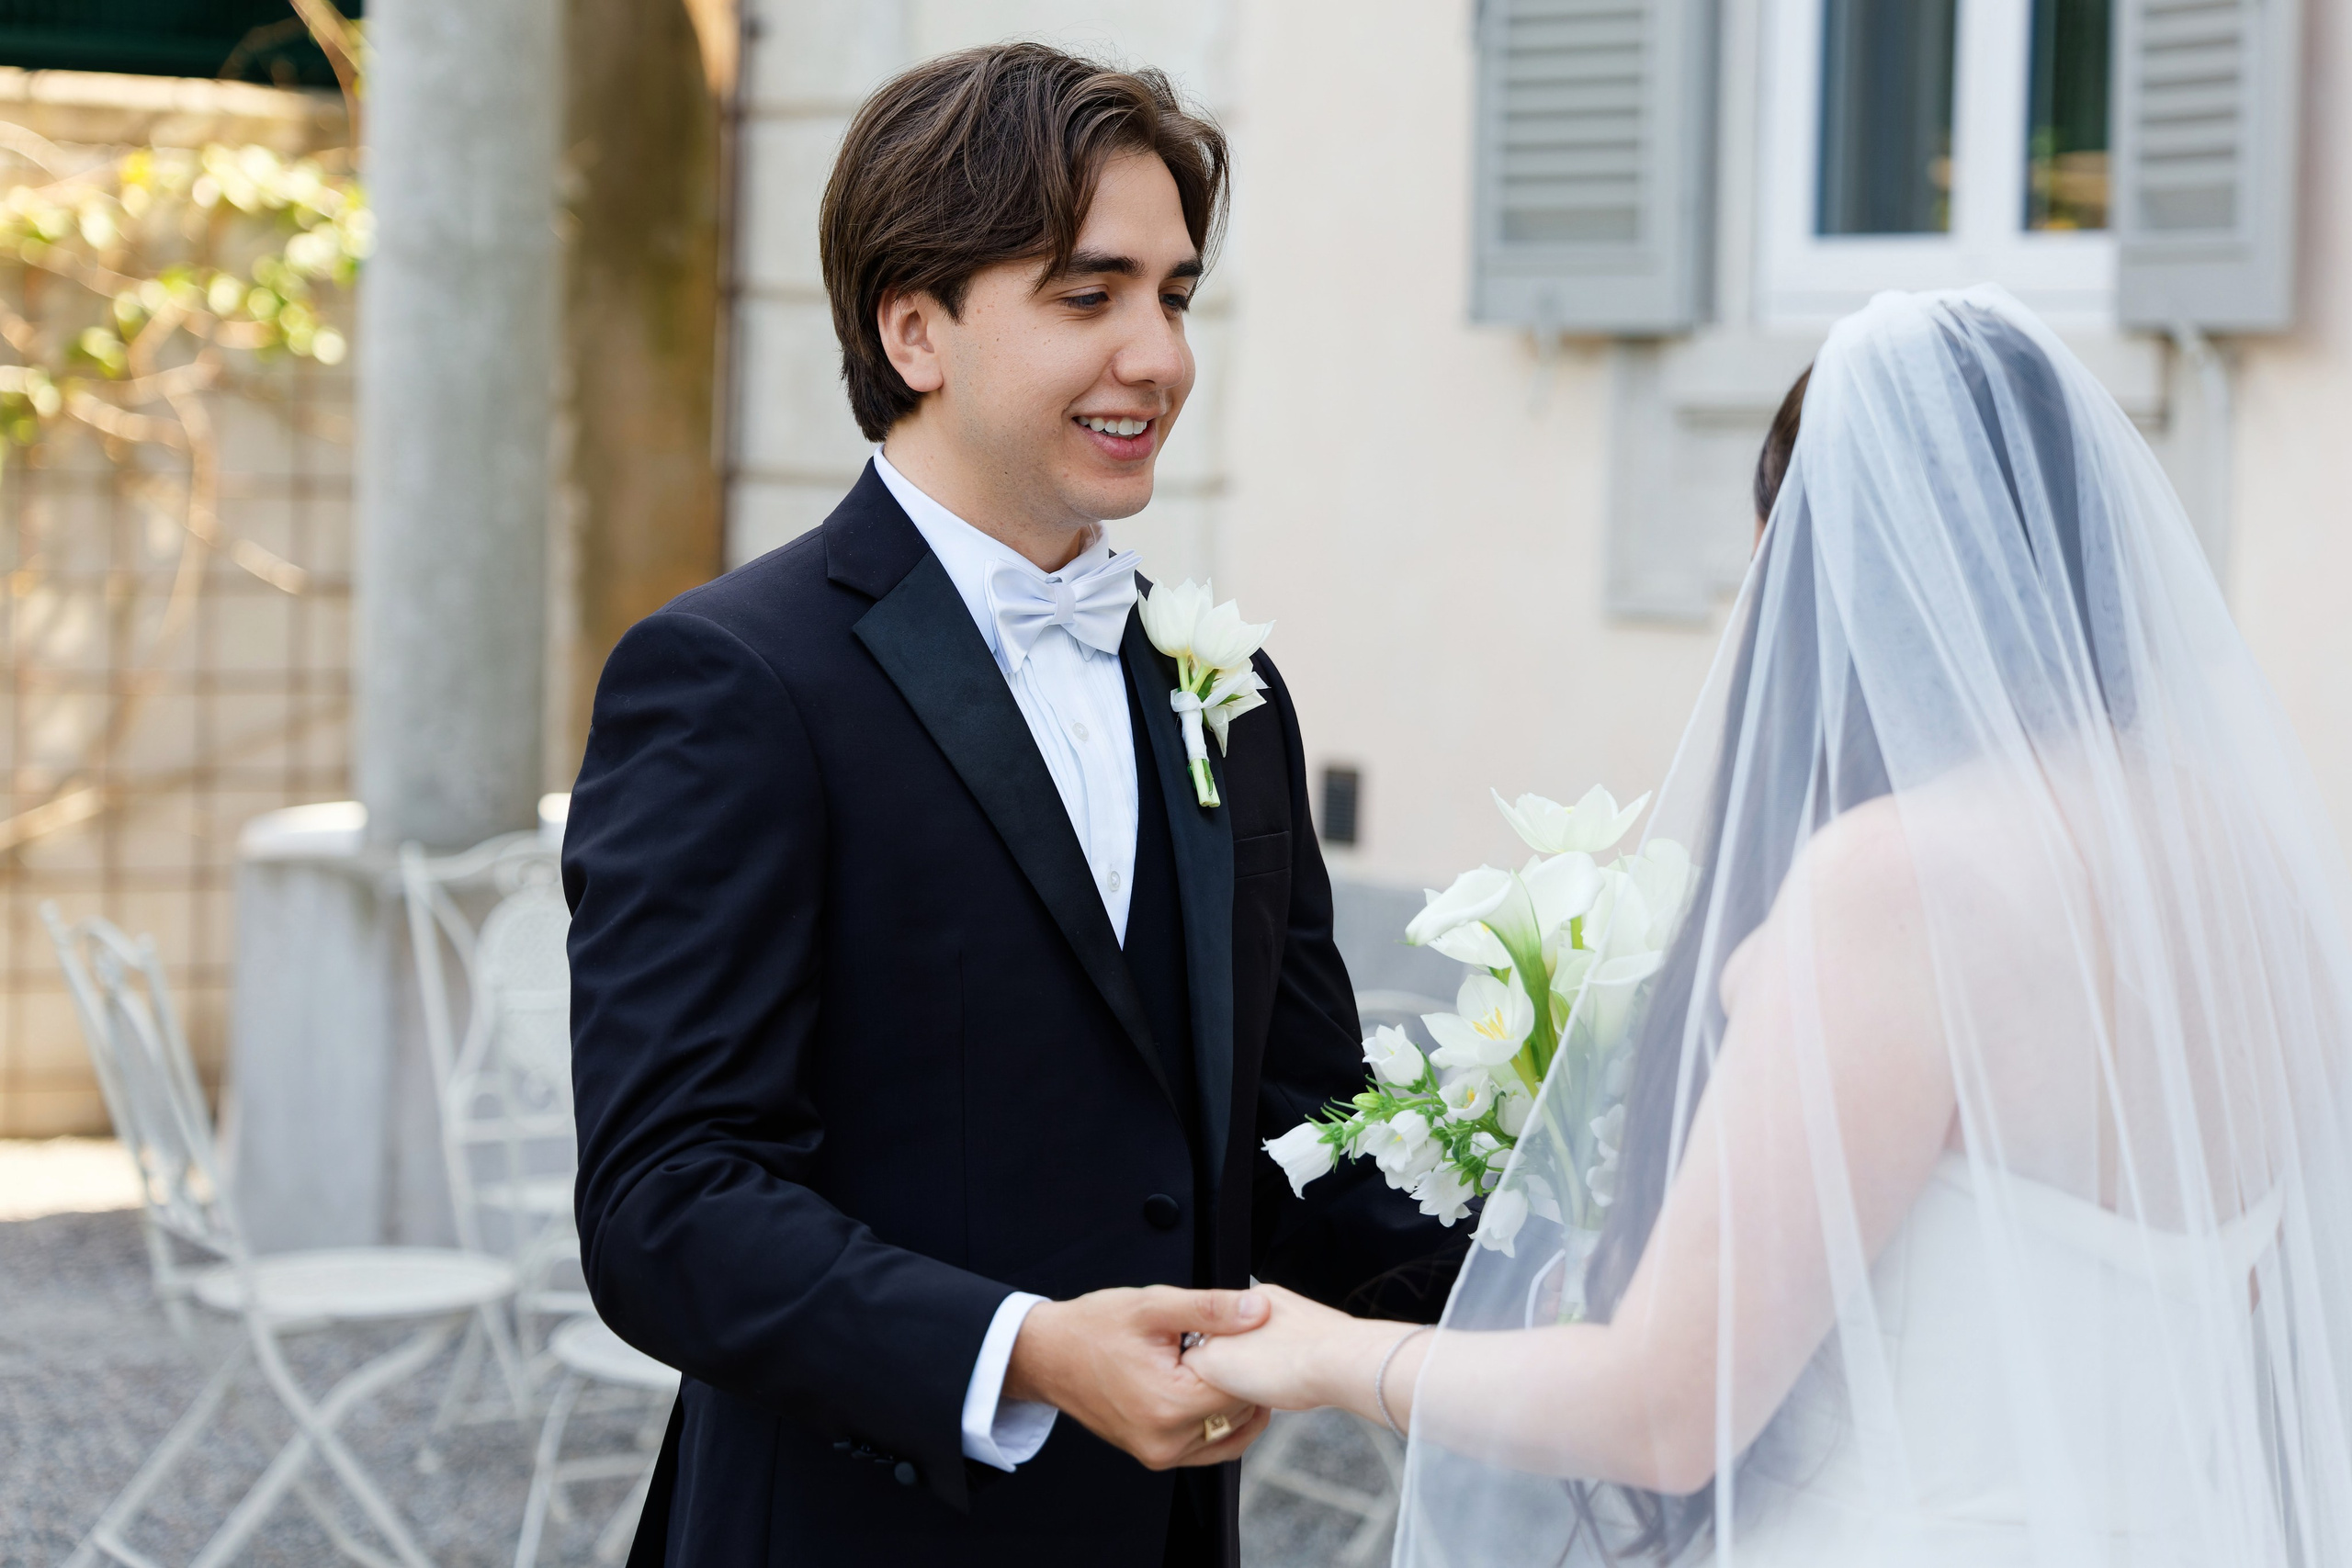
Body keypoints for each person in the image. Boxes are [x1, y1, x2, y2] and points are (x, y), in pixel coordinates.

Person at [1185, 287, 2352, 1565]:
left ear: (1810, 564)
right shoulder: (2250, 868)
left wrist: (1320, 1351)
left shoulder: (1897, 885)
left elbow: (1669, 1411)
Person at [562, 42, 1459, 1568]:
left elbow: (1296, 1133)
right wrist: (1025, 1352)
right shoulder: (732, 680)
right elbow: (668, 1204)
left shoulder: (1222, 692)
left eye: (1172, 296)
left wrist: (1598, 1283)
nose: (1159, 357)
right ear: (914, 327)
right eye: (1087, 293)